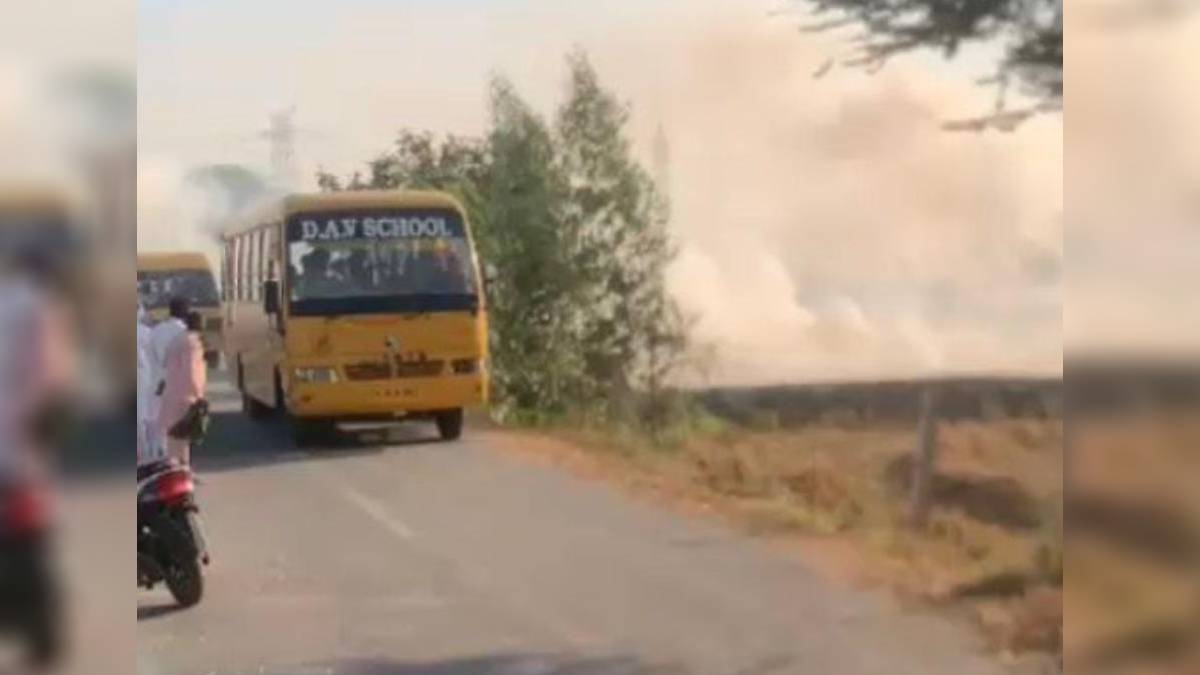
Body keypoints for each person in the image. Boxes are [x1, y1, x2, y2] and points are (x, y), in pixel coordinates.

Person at [157, 310, 206, 466]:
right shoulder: (193, 343)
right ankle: (184, 470)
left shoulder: (177, 340)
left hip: (171, 392)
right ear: (198, 324)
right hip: (186, 395)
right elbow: (191, 371)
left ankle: (175, 470)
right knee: (184, 435)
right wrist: (198, 395)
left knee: (174, 435)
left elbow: (165, 362)